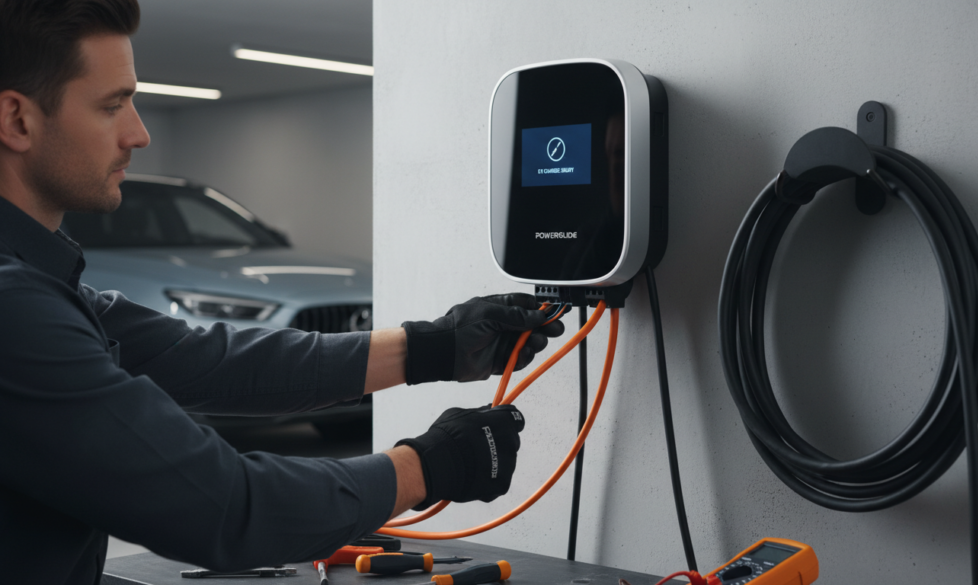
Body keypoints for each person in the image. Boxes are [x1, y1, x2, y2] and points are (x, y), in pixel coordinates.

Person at [0, 1, 565, 583]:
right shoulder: (13, 305)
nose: (138, 133)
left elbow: (206, 361)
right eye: (111, 105)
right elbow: (226, 508)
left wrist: (433, 346)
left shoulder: (40, 283)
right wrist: (426, 466)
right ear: (17, 120)